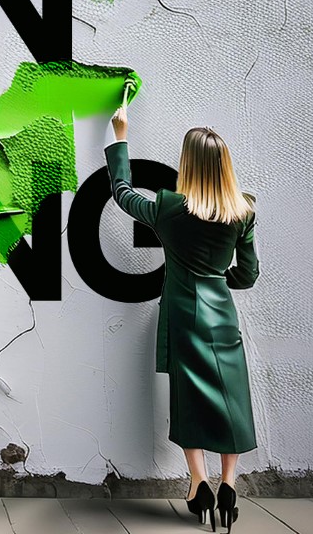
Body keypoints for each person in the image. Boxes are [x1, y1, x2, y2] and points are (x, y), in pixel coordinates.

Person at [106, 86, 259, 533]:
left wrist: (120, 136)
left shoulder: (169, 209)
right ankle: (229, 483)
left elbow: (121, 192)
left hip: (182, 314)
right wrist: (218, 281)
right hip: (222, 316)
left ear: (187, 165)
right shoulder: (243, 211)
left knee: (189, 400)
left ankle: (199, 482)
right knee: (231, 400)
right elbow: (247, 275)